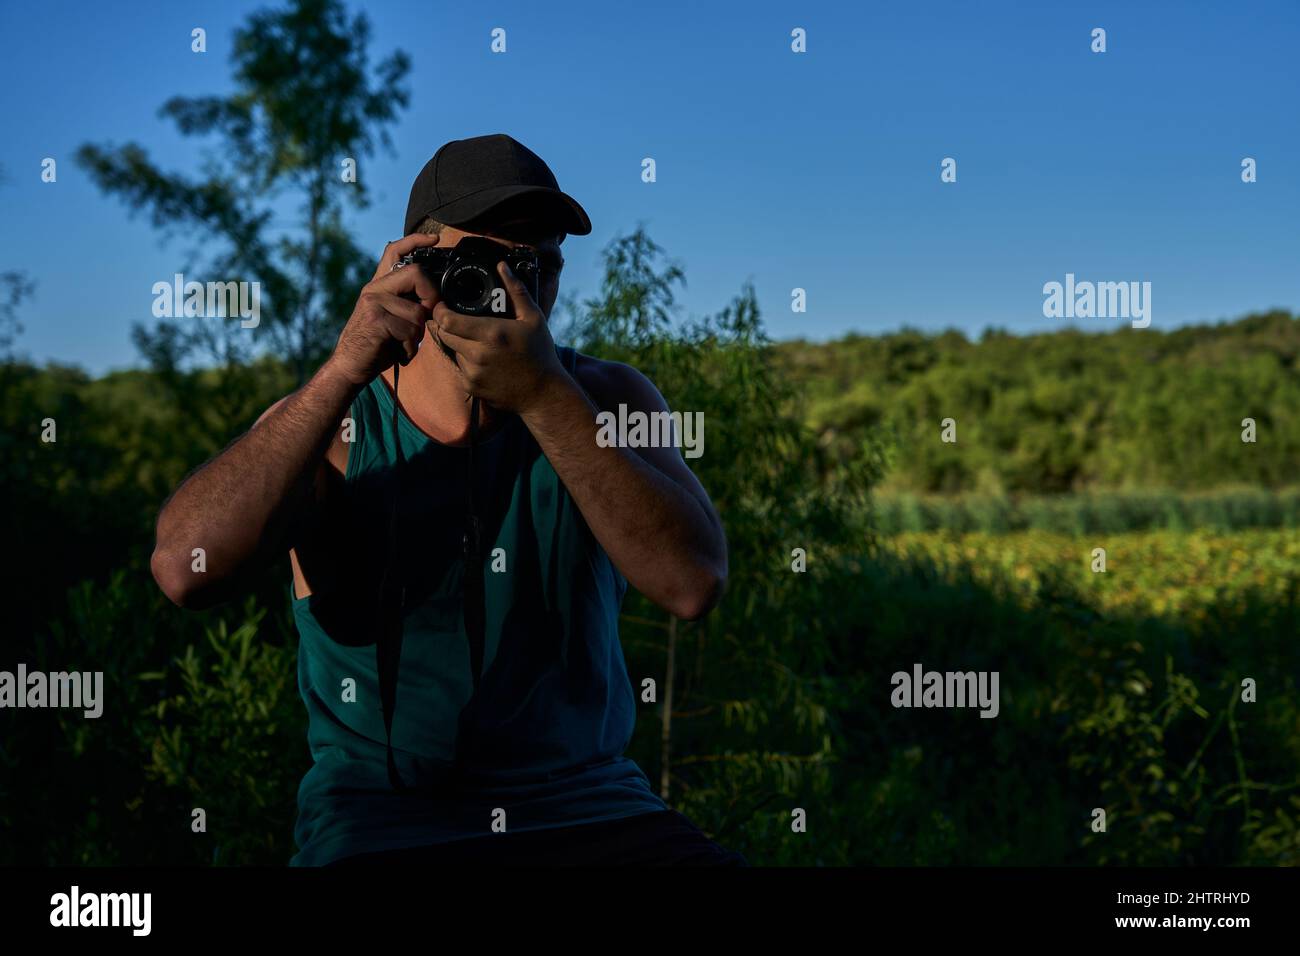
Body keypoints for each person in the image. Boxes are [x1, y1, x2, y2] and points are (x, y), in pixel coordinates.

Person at [149, 133, 744, 866]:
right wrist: (343, 368)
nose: (513, 289)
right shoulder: (336, 426)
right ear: (410, 265)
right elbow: (184, 570)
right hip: (383, 821)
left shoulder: (605, 401)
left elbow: (693, 583)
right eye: (482, 262)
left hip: (590, 808)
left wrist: (543, 395)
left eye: (536, 265)